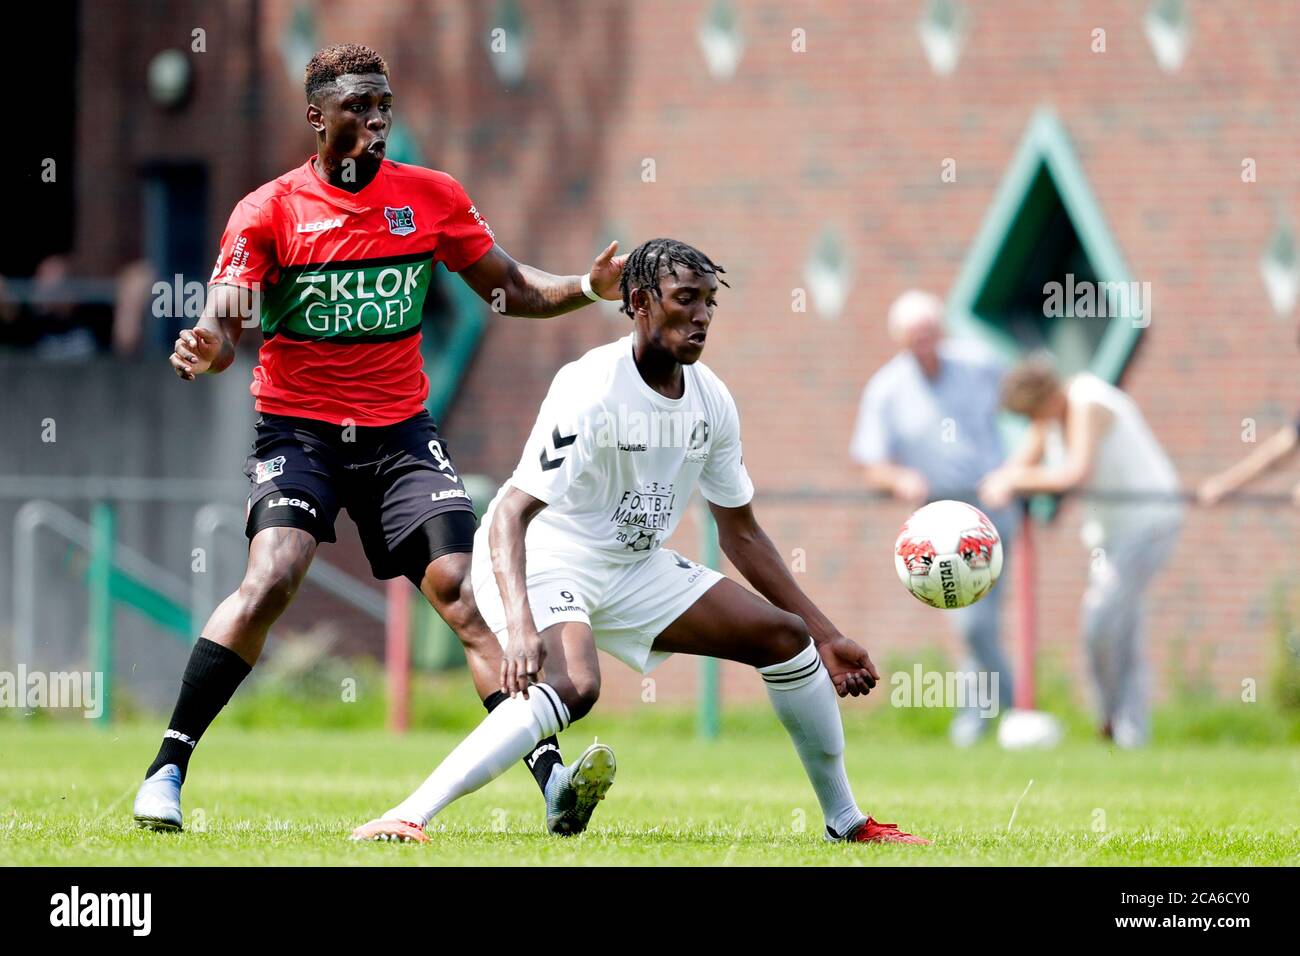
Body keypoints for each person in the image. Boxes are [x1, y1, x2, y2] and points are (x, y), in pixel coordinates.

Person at [133, 43, 628, 837]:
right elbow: (224, 319)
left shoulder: (430, 198)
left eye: (384, 105)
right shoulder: (269, 211)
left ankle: (552, 780)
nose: (376, 119)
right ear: (316, 118)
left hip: (400, 435)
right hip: (301, 431)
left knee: (466, 593)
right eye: (359, 106)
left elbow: (506, 288)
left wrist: (585, 290)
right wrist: (206, 346)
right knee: (274, 575)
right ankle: (166, 769)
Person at [350, 238, 929, 846]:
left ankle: (847, 823)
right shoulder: (592, 387)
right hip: (550, 555)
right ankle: (410, 813)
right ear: (639, 302)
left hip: (634, 564)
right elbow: (510, 515)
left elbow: (743, 532)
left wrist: (826, 633)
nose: (701, 315)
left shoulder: (712, 401)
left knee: (785, 639)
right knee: (576, 687)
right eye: (685, 300)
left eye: (709, 302)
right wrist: (519, 624)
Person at [979, 359, 1183, 748]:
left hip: (1150, 520)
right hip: (1111, 533)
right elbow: (1016, 466)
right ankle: (1121, 727)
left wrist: (1017, 480)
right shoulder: (1050, 416)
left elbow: (1076, 473)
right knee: (1117, 628)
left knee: (1105, 621)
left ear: (1045, 399)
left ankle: (1120, 725)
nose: (1032, 423)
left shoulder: (1087, 402)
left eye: (1031, 415)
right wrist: (1002, 481)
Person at [849, 290, 1015, 745]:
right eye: (912, 336)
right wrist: (899, 478)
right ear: (898, 339)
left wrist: (1018, 469)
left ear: (940, 331)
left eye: (928, 333)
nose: (922, 343)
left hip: (989, 512)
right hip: (936, 521)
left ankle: (989, 719)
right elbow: (870, 459)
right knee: (969, 621)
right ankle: (1013, 710)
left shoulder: (981, 364)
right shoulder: (887, 388)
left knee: (980, 620)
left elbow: (1029, 407)